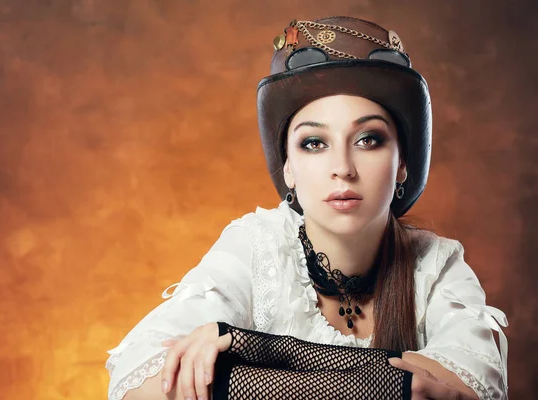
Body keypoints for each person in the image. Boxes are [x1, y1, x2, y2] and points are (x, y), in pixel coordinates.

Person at [105, 16, 508, 400]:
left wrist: (256, 351)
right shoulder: (258, 246)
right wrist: (384, 386)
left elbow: (455, 391)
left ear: (402, 163)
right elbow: (137, 382)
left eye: (368, 139)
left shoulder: (436, 266)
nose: (343, 169)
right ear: (289, 169)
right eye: (314, 143)